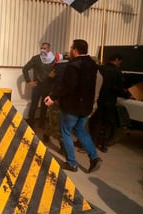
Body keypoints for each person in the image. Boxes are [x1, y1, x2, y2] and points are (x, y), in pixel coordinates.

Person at [44, 39, 102, 173]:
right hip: (86, 106)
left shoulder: (74, 65)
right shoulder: (92, 64)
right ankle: (94, 158)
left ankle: (71, 163)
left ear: (75, 50)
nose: (70, 50)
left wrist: (52, 97)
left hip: (73, 106)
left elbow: (69, 86)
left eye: (71, 48)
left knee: (65, 131)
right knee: (80, 130)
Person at [89, 53, 133, 152]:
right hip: (109, 101)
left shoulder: (100, 69)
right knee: (107, 123)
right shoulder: (117, 72)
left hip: (98, 99)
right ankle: (103, 145)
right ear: (116, 60)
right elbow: (120, 89)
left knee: (95, 121)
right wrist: (128, 95)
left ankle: (91, 142)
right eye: (119, 62)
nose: (119, 64)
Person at [22, 42, 55, 128]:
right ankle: (31, 124)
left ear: (49, 49)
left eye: (45, 48)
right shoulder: (36, 58)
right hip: (38, 85)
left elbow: (56, 72)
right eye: (42, 48)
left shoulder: (53, 60)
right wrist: (29, 81)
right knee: (34, 105)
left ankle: (42, 124)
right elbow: (25, 68)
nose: (43, 50)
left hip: (48, 86)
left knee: (44, 107)